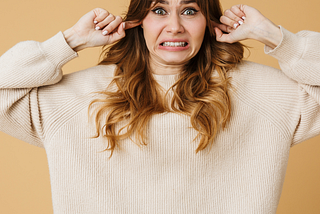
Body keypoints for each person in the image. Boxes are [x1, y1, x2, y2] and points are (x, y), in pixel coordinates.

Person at [0, 0, 319, 213]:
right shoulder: (78, 96)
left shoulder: (261, 93)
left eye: (190, 10)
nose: (176, 26)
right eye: (160, 10)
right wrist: (68, 42)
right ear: (139, 20)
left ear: (209, 21)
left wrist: (276, 38)